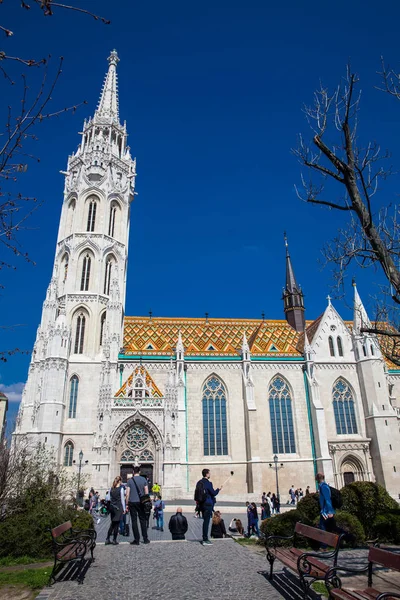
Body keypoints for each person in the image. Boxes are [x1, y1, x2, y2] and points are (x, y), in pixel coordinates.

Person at [196, 468, 222, 546]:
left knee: (205, 521)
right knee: (206, 522)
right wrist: (218, 489)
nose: (210, 474)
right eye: (209, 473)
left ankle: (205, 538)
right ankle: (205, 539)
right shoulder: (208, 483)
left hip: (201, 505)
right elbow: (213, 493)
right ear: (207, 474)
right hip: (207, 504)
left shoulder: (199, 482)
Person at [126, 466, 150, 545]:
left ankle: (136, 540)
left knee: (134, 521)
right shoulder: (143, 479)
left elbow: (127, 494)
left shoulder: (130, 481)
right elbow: (146, 492)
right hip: (141, 502)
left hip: (132, 502)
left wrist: (127, 503)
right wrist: (147, 502)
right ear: (139, 472)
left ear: (133, 472)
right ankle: (145, 538)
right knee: (143, 520)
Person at [105, 476, 126, 546]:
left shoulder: (111, 488)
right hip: (118, 508)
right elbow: (123, 500)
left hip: (112, 507)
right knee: (116, 524)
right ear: (119, 481)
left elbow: (108, 498)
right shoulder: (121, 489)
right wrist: (124, 509)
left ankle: (107, 539)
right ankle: (114, 540)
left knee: (112, 523)